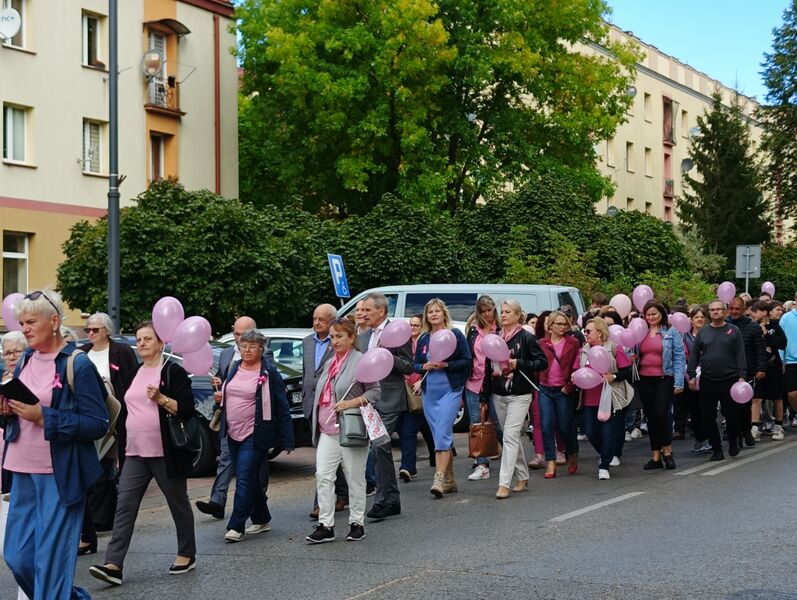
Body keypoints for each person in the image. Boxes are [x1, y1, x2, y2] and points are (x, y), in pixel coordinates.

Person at [1, 290, 108, 599]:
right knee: (18, 557)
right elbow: (22, 411)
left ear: (54, 321)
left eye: (31, 321)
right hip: (21, 472)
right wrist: (6, 412)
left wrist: (45, 417)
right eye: (22, 323)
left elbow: (96, 423)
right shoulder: (27, 359)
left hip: (59, 476)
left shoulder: (78, 363)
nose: (25, 329)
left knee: (50, 565)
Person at [89, 321, 196, 586]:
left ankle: (187, 553)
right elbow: (126, 412)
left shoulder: (172, 371)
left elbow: (187, 409)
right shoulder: (135, 371)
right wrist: (119, 451)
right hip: (135, 453)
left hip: (164, 452)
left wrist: (162, 399)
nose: (142, 343)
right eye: (138, 339)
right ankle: (113, 564)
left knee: (178, 504)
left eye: (148, 338)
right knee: (124, 507)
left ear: (161, 342)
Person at [305, 318, 380, 544]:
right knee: (324, 477)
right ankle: (325, 525)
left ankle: (357, 523)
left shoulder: (361, 361)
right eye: (332, 337)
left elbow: (375, 392)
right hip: (327, 429)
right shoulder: (331, 363)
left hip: (351, 428)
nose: (335, 341)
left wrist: (351, 402)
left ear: (351, 338)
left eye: (339, 336)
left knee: (355, 477)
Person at [219, 329, 294, 543]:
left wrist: (287, 439)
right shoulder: (234, 368)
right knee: (250, 479)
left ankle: (236, 526)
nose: (247, 350)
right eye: (244, 346)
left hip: (255, 435)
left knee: (244, 478)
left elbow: (282, 406)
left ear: (261, 349)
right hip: (232, 432)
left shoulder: (269, 372)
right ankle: (262, 518)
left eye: (252, 346)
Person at [78, 312, 138, 555]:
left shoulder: (121, 351)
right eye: (87, 330)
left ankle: (105, 518)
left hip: (116, 417)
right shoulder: (81, 353)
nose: (90, 334)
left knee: (111, 465)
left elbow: (131, 381)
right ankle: (97, 520)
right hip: (90, 417)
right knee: (95, 468)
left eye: (95, 330)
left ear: (107, 330)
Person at [196, 315, 267, 520]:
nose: (238, 338)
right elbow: (222, 378)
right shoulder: (227, 354)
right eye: (235, 333)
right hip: (230, 416)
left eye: (242, 334)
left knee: (257, 464)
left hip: (254, 421)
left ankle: (258, 499)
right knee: (226, 458)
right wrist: (218, 385)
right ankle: (217, 502)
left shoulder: (265, 355)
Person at [484, 299, 547, 498]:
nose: (503, 315)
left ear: (518, 315)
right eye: (502, 312)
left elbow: (541, 362)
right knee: (508, 436)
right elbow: (487, 368)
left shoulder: (526, 337)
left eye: (508, 312)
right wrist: (484, 394)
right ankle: (522, 475)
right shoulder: (495, 338)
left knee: (510, 435)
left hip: (520, 394)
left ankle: (504, 483)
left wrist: (518, 363)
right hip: (499, 393)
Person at [359, 293, 414, 520]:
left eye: (368, 310)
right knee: (378, 448)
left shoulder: (397, 333)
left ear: (381, 311)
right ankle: (391, 498)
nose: (363, 314)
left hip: (390, 398)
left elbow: (409, 366)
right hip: (368, 398)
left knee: (379, 446)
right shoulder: (364, 336)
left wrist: (387, 358)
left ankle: (383, 499)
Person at [414, 298, 471, 498]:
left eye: (437, 311)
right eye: (431, 312)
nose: (434, 314)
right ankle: (450, 478)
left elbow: (467, 361)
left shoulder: (455, 335)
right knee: (438, 434)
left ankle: (438, 478)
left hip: (451, 390)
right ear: (426, 316)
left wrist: (447, 365)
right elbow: (416, 365)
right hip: (431, 392)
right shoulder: (423, 338)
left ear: (444, 313)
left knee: (443, 433)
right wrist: (424, 367)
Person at [300, 305, 350, 519]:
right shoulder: (307, 341)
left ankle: (321, 503)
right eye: (314, 318)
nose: (316, 323)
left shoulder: (337, 343)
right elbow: (306, 371)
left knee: (325, 459)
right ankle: (342, 493)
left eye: (321, 319)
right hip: (312, 403)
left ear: (332, 321)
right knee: (327, 455)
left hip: (333, 405)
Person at [686, 300, 748, 461]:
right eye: (712, 310)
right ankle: (717, 448)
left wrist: (742, 376)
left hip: (729, 379)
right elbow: (694, 355)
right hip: (707, 380)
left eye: (719, 309)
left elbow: (740, 354)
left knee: (732, 415)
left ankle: (733, 441)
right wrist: (691, 375)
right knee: (707, 417)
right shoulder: (704, 332)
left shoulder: (733, 330)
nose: (715, 312)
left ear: (725, 312)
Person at [573, 317, 632, 480]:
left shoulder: (613, 348)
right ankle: (607, 453)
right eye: (584, 331)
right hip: (589, 399)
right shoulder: (583, 350)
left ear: (600, 333)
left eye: (588, 331)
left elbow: (626, 371)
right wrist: (574, 377)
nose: (585, 334)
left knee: (607, 432)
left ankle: (604, 465)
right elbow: (577, 370)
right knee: (591, 432)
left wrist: (613, 376)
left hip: (609, 398)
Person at [635, 300, 685, 470]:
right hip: (644, 379)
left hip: (665, 377)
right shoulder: (640, 332)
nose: (651, 317)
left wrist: (679, 382)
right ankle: (655, 455)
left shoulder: (671, 332)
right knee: (651, 417)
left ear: (662, 314)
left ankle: (668, 451)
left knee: (661, 414)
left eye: (654, 314)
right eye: (648, 314)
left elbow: (679, 357)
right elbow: (631, 351)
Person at [537, 310, 580, 478]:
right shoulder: (542, 343)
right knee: (546, 425)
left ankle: (572, 453)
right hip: (545, 388)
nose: (562, 327)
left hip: (563, 389)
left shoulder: (573, 342)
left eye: (565, 324)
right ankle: (550, 462)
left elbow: (577, 365)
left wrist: (569, 385)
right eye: (559, 324)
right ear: (550, 325)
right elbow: (538, 364)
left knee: (564, 426)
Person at [465, 295, 499, 480]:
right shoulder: (473, 331)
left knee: (497, 424)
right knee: (476, 424)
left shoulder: (499, 331)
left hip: (494, 383)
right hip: (473, 382)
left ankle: (506, 455)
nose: (487, 314)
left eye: (489, 310)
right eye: (483, 311)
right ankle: (482, 464)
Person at [726, 297, 768, 445]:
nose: (734, 311)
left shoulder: (753, 327)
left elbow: (760, 350)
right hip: (728, 372)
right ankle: (735, 433)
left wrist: (761, 368)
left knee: (744, 406)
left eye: (737, 309)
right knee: (730, 407)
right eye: (731, 308)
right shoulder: (725, 326)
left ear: (744, 309)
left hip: (748, 372)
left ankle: (746, 431)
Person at [397, 314, 432, 481]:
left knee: (414, 429)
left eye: (416, 325)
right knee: (409, 430)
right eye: (410, 325)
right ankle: (408, 467)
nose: (412, 328)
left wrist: (421, 381)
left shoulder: (425, 342)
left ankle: (410, 465)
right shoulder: (403, 343)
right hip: (404, 391)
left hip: (420, 389)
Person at [757, 301, 787, 441]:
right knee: (756, 397)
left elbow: (782, 344)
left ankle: (778, 426)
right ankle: (754, 426)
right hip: (758, 367)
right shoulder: (754, 326)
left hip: (773, 366)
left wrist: (767, 336)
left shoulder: (776, 327)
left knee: (776, 397)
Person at [684, 306, 711, 453]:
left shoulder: (709, 333)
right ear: (691, 319)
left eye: (701, 317)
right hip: (691, 375)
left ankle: (709, 437)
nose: (699, 319)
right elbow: (685, 355)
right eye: (696, 317)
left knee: (707, 408)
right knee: (694, 409)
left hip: (708, 374)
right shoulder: (685, 336)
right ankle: (699, 438)